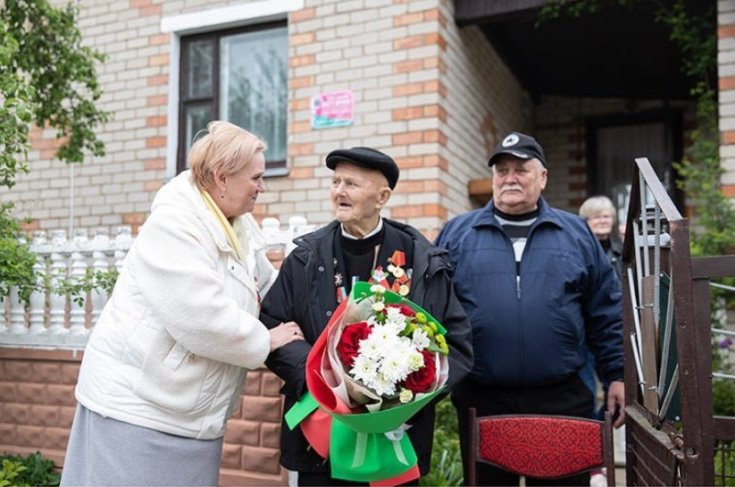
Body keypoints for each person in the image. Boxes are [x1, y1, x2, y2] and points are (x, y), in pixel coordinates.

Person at [60, 121, 304, 486]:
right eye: (255, 178)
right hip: (137, 411)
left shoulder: (238, 224)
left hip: (191, 414)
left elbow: (267, 286)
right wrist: (264, 340)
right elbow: (198, 315)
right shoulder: (174, 224)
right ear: (222, 178)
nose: (262, 187)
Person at [259, 147, 474, 486]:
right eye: (335, 182)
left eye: (352, 184)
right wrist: (322, 379)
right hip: (321, 438)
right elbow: (273, 325)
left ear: (382, 197)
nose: (339, 191)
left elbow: (455, 344)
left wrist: (405, 396)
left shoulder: (421, 259)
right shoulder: (305, 257)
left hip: (395, 438)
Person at [435, 132, 625, 487]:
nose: (509, 178)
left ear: (543, 177)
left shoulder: (576, 234)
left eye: (521, 169)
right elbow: (434, 309)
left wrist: (617, 373)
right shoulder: (457, 234)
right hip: (483, 399)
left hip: (561, 398)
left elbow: (605, 309)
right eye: (502, 170)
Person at [579, 195, 623, 281]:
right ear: (585, 221)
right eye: (596, 217)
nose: (602, 221)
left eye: (606, 216)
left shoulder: (622, 252)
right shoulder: (580, 252)